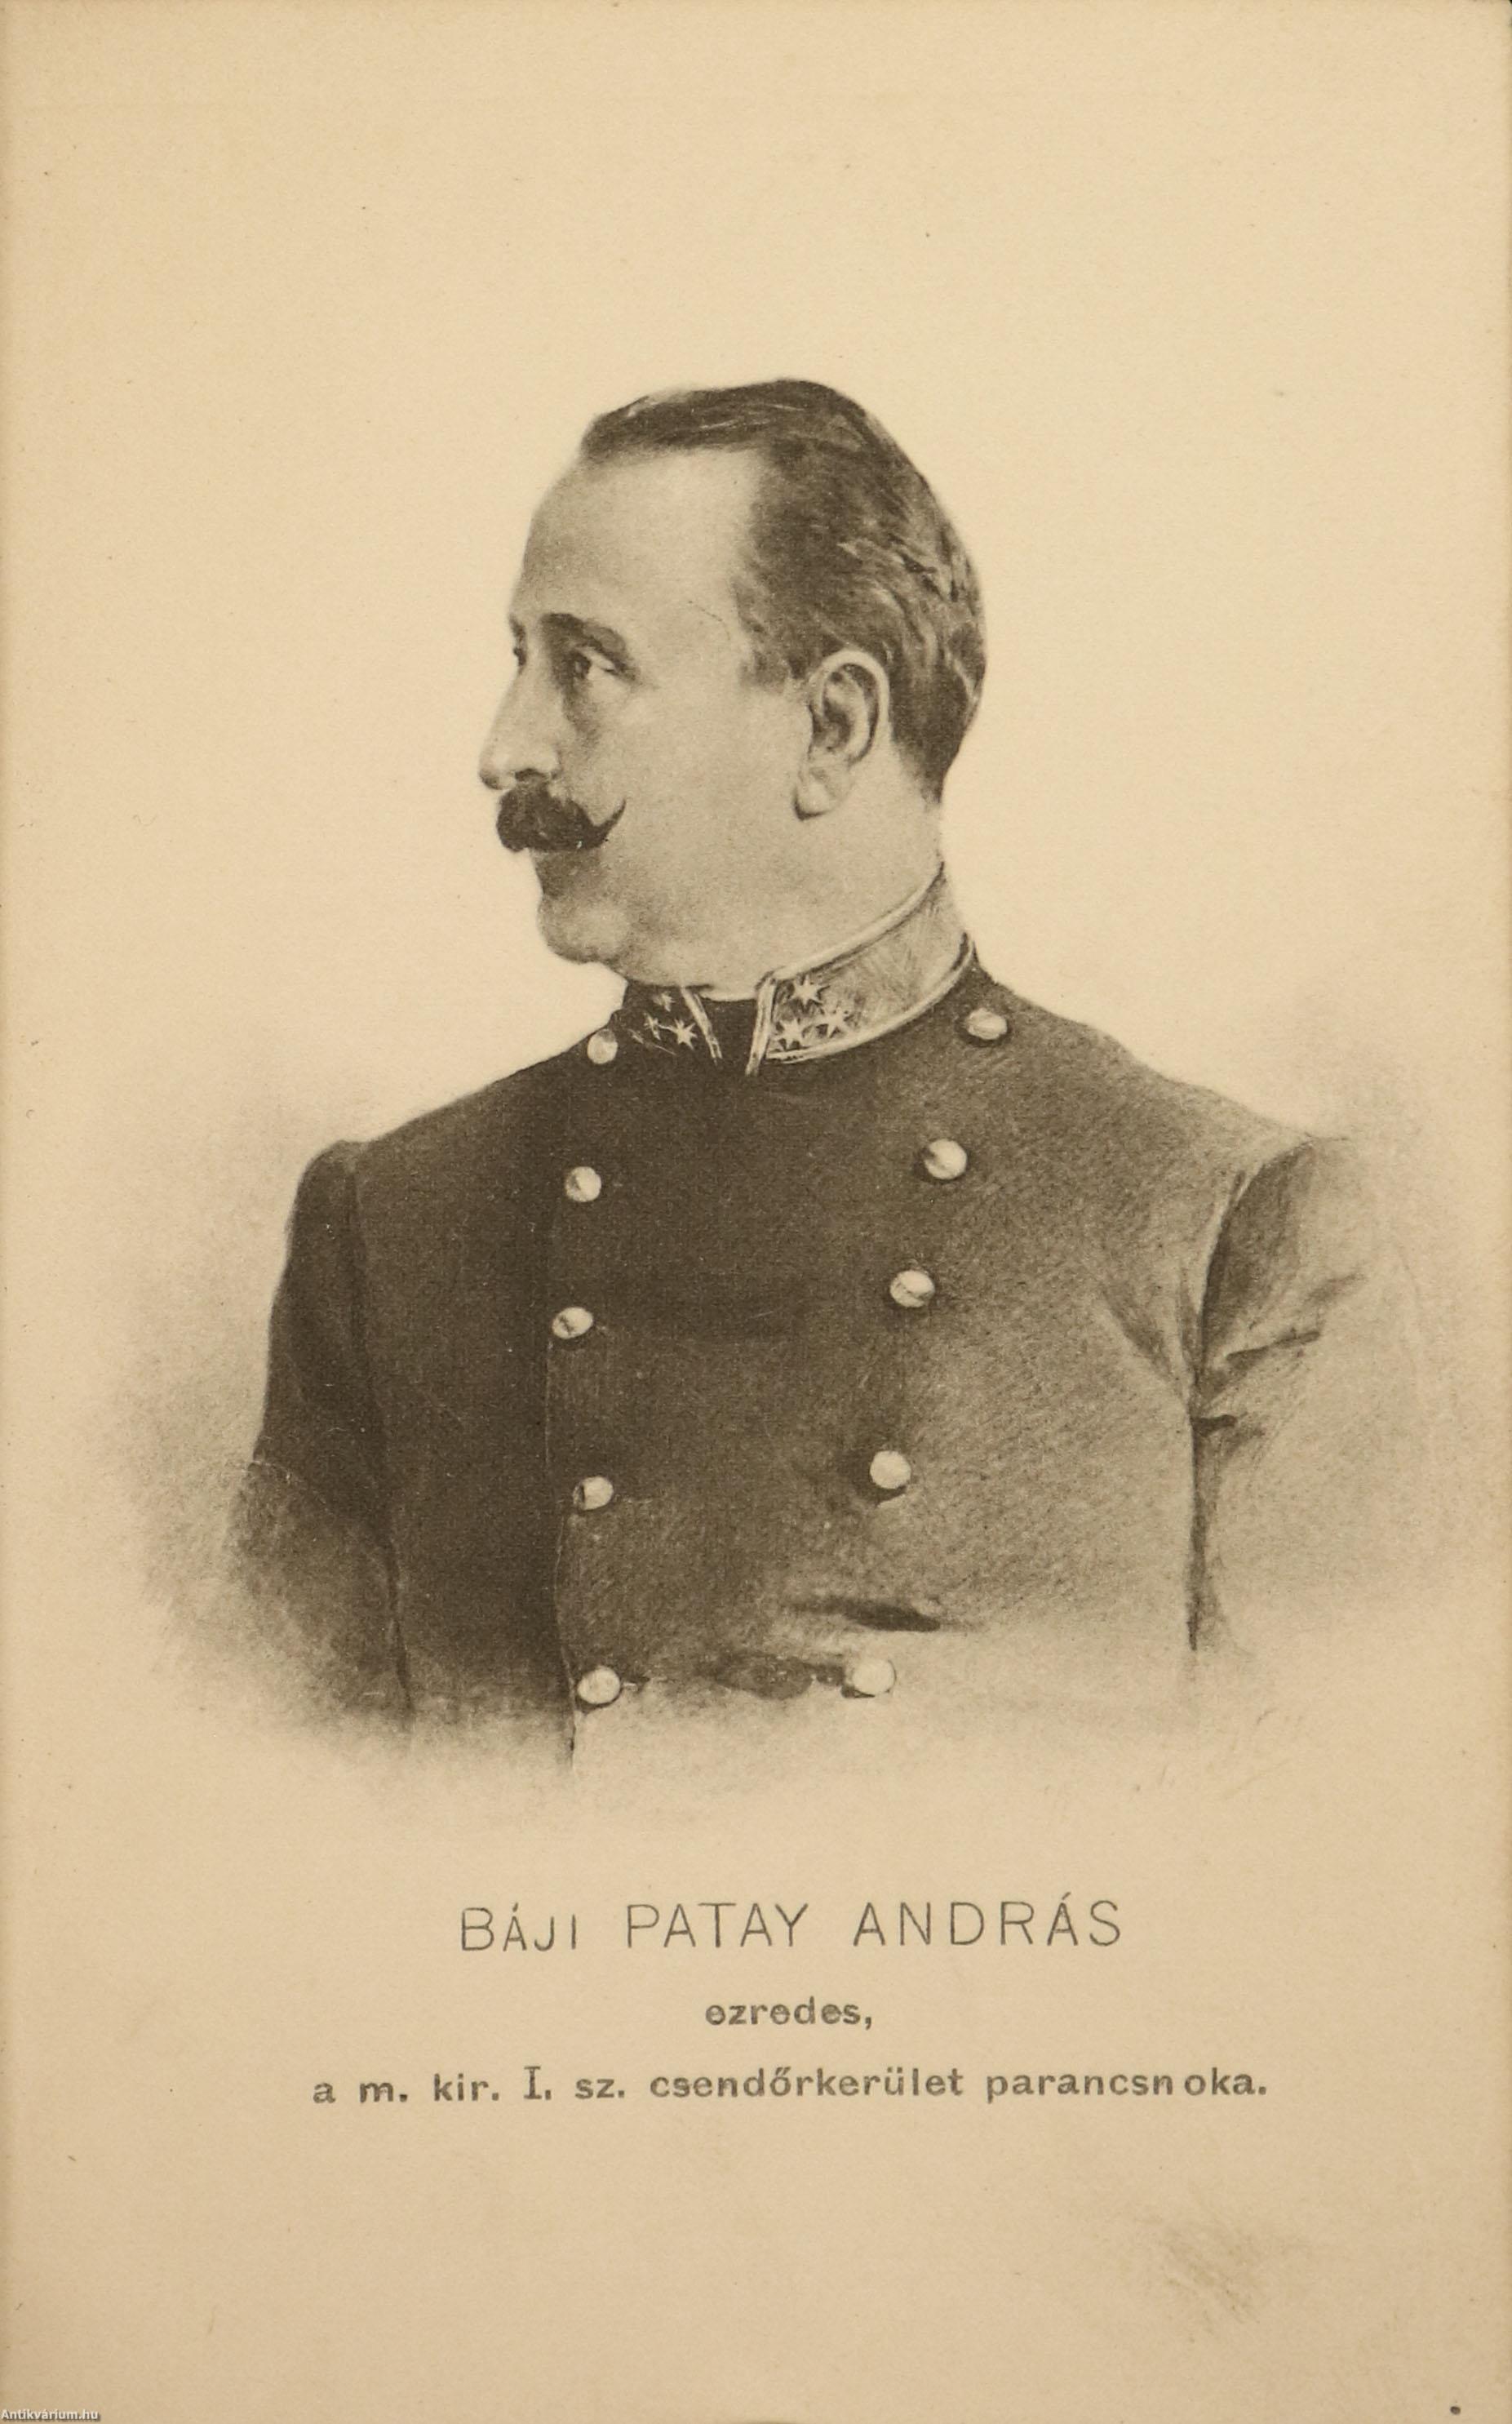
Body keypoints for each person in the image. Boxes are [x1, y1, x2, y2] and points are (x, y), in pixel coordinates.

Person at [233, 380, 1425, 1755]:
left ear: (833, 727)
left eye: (586, 666)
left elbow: (1318, 1832)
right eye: (519, 659)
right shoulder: (391, 1221)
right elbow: (280, 1816)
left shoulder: (1230, 1224)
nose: (506, 749)